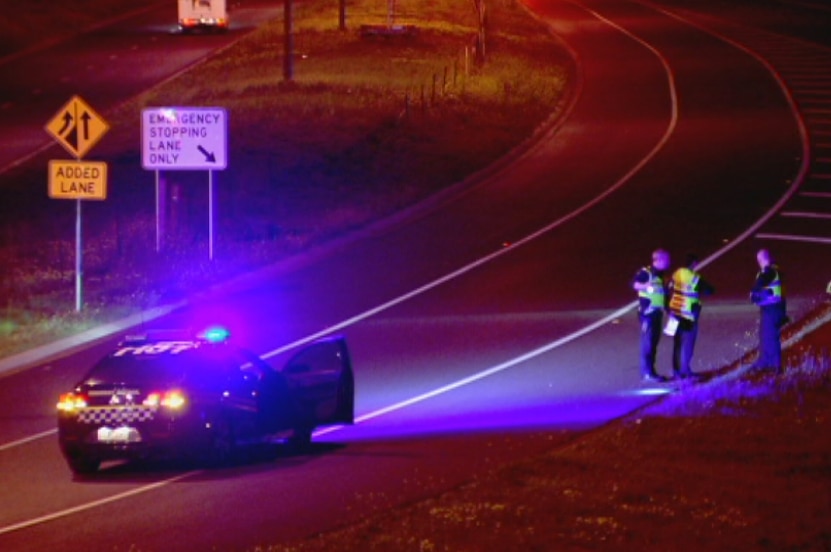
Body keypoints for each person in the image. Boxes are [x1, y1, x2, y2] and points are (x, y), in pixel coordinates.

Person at [667, 253, 715, 380]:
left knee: (677, 344)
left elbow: (668, 289)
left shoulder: (676, 274)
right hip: (688, 314)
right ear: (694, 263)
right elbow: (709, 290)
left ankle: (675, 371)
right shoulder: (693, 276)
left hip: (674, 312)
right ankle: (685, 370)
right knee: (688, 343)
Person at [632, 248, 670, 383]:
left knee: (653, 343)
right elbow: (635, 284)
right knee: (647, 343)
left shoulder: (662, 275)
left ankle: (651, 372)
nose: (669, 262)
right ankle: (647, 373)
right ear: (658, 260)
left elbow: (663, 294)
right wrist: (646, 285)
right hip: (647, 314)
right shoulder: (646, 272)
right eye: (666, 259)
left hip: (657, 313)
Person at [750, 248, 787, 374]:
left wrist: (754, 292)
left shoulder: (769, 271)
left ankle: (776, 366)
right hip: (768, 308)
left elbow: (762, 282)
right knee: (765, 336)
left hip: (772, 309)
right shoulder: (770, 271)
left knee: (771, 337)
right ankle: (765, 361)